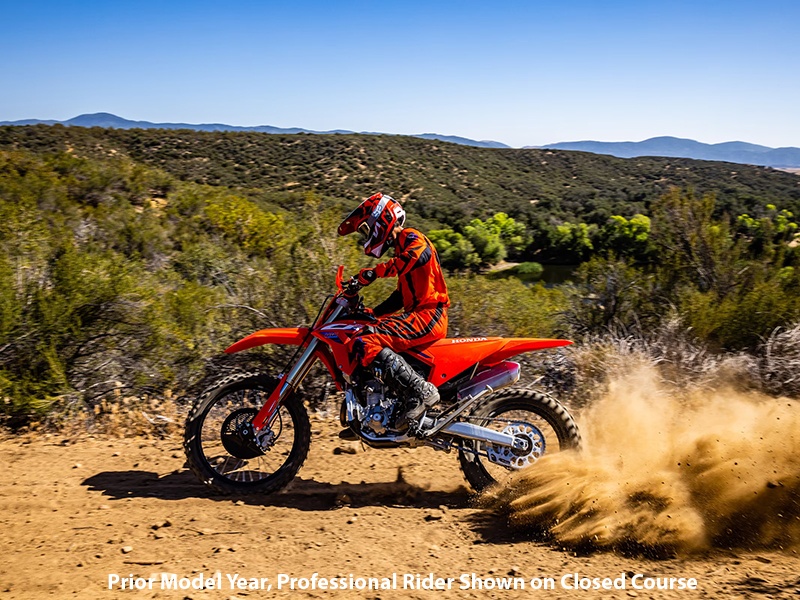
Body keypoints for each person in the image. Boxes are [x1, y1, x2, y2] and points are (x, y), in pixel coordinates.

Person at [337, 192, 450, 427]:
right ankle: (367, 413)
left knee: (366, 339)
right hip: (419, 315)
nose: (367, 236)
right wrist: (373, 314)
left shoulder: (412, 238)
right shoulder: (401, 250)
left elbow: (415, 257)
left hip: (429, 315)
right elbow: (399, 297)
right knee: (365, 331)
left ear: (382, 220)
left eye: (367, 229)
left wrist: (374, 273)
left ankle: (420, 392)